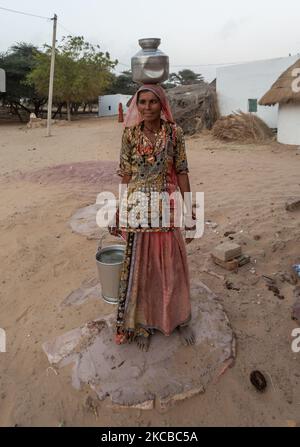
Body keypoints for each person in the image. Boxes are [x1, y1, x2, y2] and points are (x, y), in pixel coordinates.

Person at [108, 84, 196, 352]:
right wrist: (119, 206)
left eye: (152, 102)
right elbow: (125, 173)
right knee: (142, 266)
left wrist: (190, 210)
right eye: (142, 102)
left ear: (162, 104)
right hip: (137, 205)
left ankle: (178, 318)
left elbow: (181, 171)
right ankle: (144, 323)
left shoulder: (174, 134)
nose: (147, 107)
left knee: (171, 264)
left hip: (166, 205)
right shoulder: (131, 135)